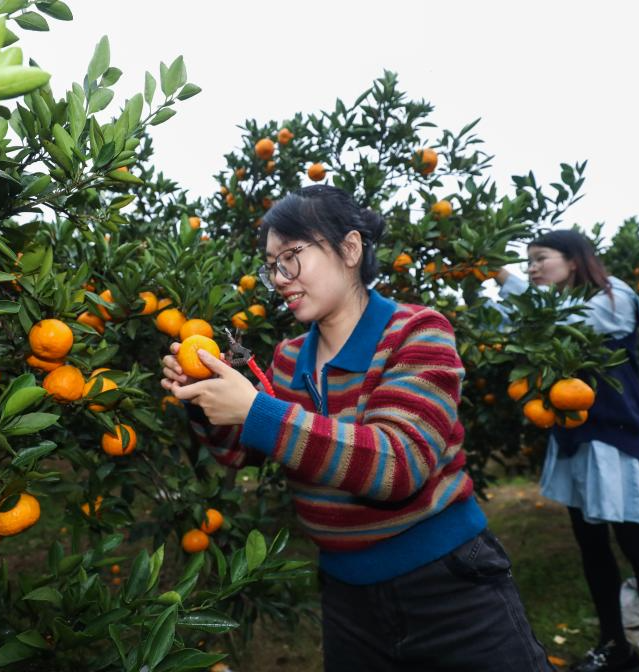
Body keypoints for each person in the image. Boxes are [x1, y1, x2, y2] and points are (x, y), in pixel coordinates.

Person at [161, 185, 553, 671]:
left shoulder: (416, 332)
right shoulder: (286, 359)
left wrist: (255, 411)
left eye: (292, 257)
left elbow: (398, 465)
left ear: (349, 249)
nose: (280, 277)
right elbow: (236, 454)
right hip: (347, 596)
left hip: (449, 585)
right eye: (271, 264)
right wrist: (202, 399)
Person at [493, 230, 639, 672]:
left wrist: (502, 276)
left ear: (573, 260)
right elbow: (507, 325)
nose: (532, 268)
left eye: (541, 259)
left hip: (616, 440)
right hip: (574, 438)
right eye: (528, 262)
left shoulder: (614, 297)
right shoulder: (546, 310)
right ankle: (616, 647)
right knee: (590, 546)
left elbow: (565, 320)